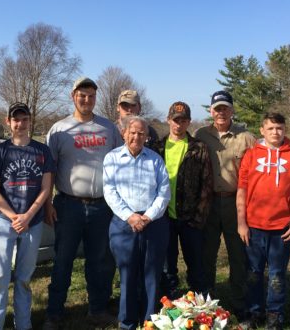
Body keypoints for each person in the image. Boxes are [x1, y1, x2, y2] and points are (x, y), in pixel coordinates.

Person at [43, 77, 123, 329]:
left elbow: (121, 164)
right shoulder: (58, 130)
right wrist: (47, 204)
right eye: (82, 95)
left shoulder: (108, 129)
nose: (86, 99)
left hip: (102, 205)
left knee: (98, 261)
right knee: (63, 260)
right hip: (69, 205)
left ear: (95, 98)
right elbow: (49, 170)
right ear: (73, 96)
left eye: (90, 95)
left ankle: (97, 309)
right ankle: (54, 313)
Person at [236, 112, 290, 330]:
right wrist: (241, 221)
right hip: (253, 227)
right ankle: (253, 313)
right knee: (253, 273)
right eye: (270, 128)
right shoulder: (251, 155)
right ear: (262, 130)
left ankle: (274, 315)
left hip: (282, 229)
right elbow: (241, 189)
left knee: (277, 275)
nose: (275, 132)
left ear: (284, 130)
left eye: (279, 128)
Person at [0, 102, 56, 330]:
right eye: (16, 119)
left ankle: (23, 325)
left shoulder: (42, 150)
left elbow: (46, 188)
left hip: (32, 222)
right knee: (0, 280)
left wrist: (28, 215)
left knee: (24, 280)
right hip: (5, 222)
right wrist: (14, 216)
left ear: (30, 121)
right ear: (8, 121)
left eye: (24, 119)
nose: (20, 124)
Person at [103, 115, 171, 330]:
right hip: (124, 223)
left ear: (147, 136)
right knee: (127, 272)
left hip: (153, 223)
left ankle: (150, 320)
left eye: (141, 133)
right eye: (132, 132)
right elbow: (110, 191)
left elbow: (164, 192)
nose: (136, 136)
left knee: (152, 273)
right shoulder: (112, 158)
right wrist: (130, 216)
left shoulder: (155, 160)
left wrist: (148, 216)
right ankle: (127, 321)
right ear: (124, 134)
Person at [194, 90, 255, 320]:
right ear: (211, 111)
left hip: (235, 203)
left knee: (238, 255)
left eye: (225, 108)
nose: (221, 112)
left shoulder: (246, 137)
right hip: (208, 203)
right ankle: (208, 304)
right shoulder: (200, 134)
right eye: (217, 108)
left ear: (232, 111)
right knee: (207, 254)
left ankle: (240, 302)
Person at [154, 102, 213, 298]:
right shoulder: (157, 147)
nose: (179, 124)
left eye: (184, 120)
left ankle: (199, 303)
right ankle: (168, 303)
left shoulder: (198, 148)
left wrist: (199, 218)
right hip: (164, 217)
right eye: (175, 120)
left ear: (189, 122)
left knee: (195, 264)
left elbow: (206, 184)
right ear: (168, 120)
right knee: (167, 265)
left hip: (190, 218)